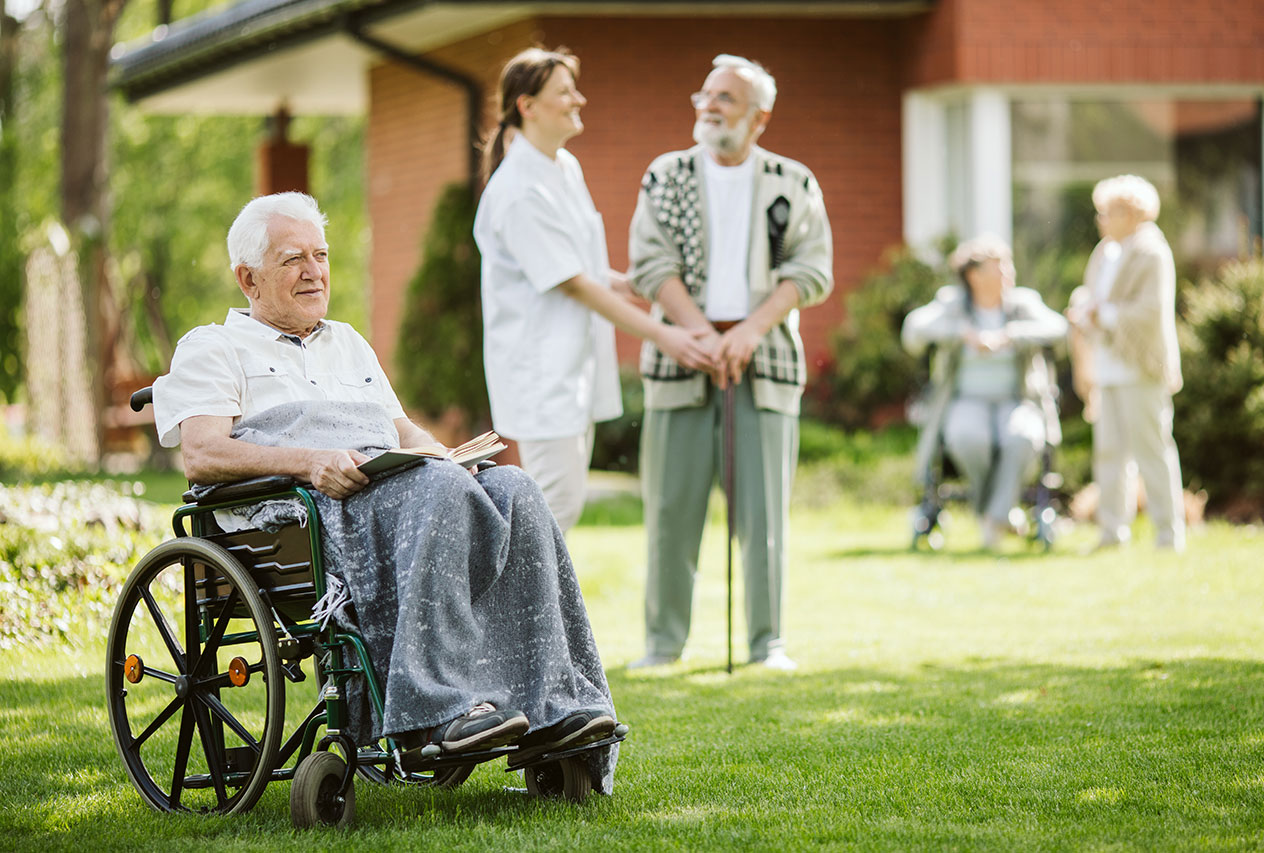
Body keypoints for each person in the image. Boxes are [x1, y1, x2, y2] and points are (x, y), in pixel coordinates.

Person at [151, 192, 619, 793]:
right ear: (248, 278)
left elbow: (403, 432)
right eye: (293, 258)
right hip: (305, 515)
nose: (314, 271)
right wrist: (310, 461)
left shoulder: (349, 343)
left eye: (320, 255)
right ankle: (433, 713)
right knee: (437, 492)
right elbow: (203, 454)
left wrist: (447, 459)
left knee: (516, 488)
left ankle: (556, 704)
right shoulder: (212, 348)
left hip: (403, 489)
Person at [626, 55, 833, 671]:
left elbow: (811, 269)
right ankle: (663, 646)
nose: (709, 106)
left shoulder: (793, 181)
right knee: (669, 511)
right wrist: (698, 333)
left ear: (759, 117)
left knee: (765, 514)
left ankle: (767, 644)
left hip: (762, 358)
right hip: (680, 355)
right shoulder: (665, 176)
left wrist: (746, 331)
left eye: (726, 98)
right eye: (706, 95)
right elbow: (649, 264)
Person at [474, 47, 715, 532]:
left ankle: (538, 607)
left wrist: (641, 285)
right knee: (553, 512)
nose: (578, 100)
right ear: (528, 106)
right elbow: (574, 285)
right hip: (541, 375)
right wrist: (665, 336)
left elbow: (582, 266)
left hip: (572, 368)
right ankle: (516, 607)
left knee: (559, 510)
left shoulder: (563, 167)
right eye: (565, 92)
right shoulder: (519, 189)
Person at [901, 235, 1068, 550]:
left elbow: (1058, 328)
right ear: (974, 276)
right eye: (999, 266)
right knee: (967, 439)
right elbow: (913, 330)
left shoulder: (1022, 303)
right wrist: (961, 334)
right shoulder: (952, 303)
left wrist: (1011, 336)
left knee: (1023, 437)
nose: (1009, 272)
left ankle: (992, 518)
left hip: (1016, 399)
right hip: (966, 400)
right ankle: (999, 514)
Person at [1067, 174, 1186, 552]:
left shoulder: (1153, 252)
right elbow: (1092, 295)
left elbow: (1151, 310)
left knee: (1152, 449)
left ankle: (1169, 535)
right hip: (1107, 366)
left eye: (1109, 212)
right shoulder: (1105, 252)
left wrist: (1105, 315)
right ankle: (1111, 532)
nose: (1101, 219)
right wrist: (1085, 312)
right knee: (1109, 452)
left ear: (1132, 213)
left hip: (1141, 366)